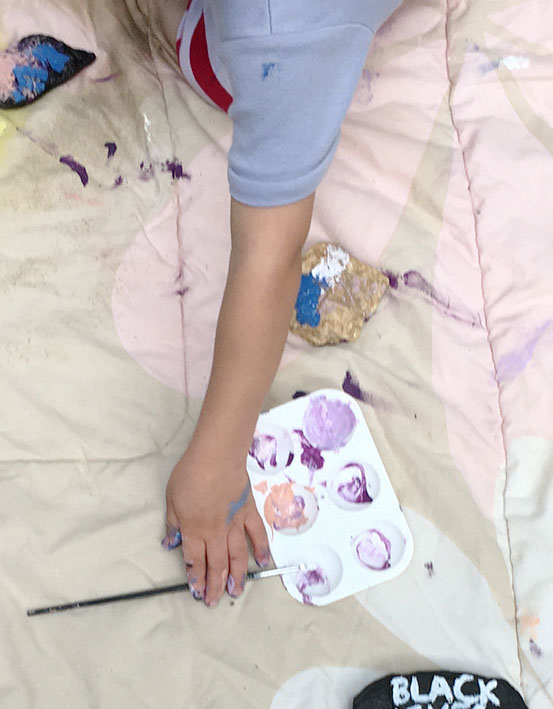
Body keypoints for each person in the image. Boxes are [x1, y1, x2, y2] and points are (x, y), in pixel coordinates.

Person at [160, 0, 403, 606]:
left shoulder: (277, 41)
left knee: (214, 64)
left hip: (290, 31)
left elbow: (269, 262)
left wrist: (215, 464)